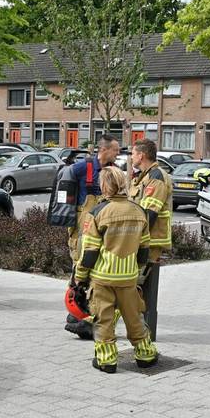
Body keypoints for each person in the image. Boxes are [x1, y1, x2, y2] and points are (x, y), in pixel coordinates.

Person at [73, 166, 159, 374]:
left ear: (105, 185)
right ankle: (146, 355)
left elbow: (90, 251)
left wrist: (80, 278)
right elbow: (144, 248)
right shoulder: (139, 211)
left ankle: (107, 360)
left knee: (104, 320)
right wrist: (135, 271)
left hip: (102, 278)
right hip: (128, 278)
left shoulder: (97, 212)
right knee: (134, 317)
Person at [64, 136, 120, 338]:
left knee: (93, 271)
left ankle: (86, 316)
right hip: (82, 226)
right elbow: (65, 190)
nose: (118, 154)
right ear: (104, 149)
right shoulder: (81, 168)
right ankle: (75, 312)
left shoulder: (114, 171)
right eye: (115, 150)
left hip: (101, 226)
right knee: (79, 268)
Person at [127, 138, 172, 336]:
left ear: (141, 155)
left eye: (133, 153)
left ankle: (140, 333)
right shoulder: (143, 177)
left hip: (148, 242)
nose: (130, 157)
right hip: (141, 241)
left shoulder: (156, 177)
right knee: (131, 286)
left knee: (133, 286)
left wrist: (133, 239)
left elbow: (148, 214)